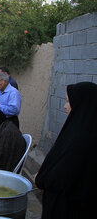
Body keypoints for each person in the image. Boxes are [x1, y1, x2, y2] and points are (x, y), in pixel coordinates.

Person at [35, 82, 97, 218]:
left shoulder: (81, 139)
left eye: (69, 102)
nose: (65, 106)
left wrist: (42, 179)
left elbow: (63, 174)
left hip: (66, 208)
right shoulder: (81, 131)